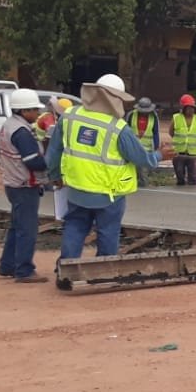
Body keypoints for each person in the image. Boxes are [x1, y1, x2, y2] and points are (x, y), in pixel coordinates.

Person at [46, 74, 160, 261]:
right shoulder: (118, 128)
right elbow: (141, 159)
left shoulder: (70, 116)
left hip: (76, 189)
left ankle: (66, 267)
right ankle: (103, 270)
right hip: (109, 195)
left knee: (74, 226)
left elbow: (53, 153)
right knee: (108, 232)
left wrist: (55, 176)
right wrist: (159, 156)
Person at [0, 90, 50, 283]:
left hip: (13, 183)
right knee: (27, 229)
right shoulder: (22, 132)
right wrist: (51, 160)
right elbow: (34, 162)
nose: (37, 113)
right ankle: (24, 270)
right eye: (35, 109)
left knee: (17, 226)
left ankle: (8, 265)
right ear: (24, 110)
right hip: (24, 185)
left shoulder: (10, 125)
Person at [35, 97, 73, 223]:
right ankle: (47, 184)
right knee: (48, 167)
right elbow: (52, 134)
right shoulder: (48, 118)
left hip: (48, 146)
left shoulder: (59, 119)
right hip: (42, 145)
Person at [170, 95, 196, 186]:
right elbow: (171, 132)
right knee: (180, 176)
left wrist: (195, 142)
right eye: (188, 108)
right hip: (179, 153)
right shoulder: (176, 118)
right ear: (183, 108)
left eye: (192, 108)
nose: (191, 110)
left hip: (193, 154)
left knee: (193, 177)